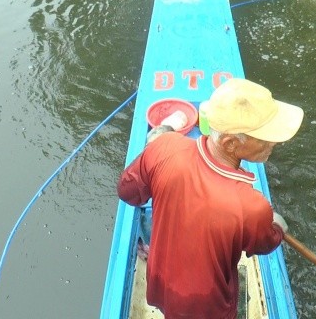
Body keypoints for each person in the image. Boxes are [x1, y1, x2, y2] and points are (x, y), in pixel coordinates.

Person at [117, 77, 304, 319]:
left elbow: (127, 192)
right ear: (230, 143)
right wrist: (277, 226)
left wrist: (153, 152)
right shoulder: (253, 206)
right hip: (205, 307)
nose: (275, 142)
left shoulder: (163, 147)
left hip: (159, 283)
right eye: (266, 137)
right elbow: (263, 243)